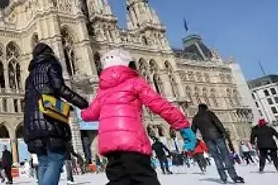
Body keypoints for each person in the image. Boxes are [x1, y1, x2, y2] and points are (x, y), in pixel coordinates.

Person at [81, 49, 196, 185]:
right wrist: (181, 124)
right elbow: (159, 104)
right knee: (145, 179)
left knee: (119, 180)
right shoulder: (135, 82)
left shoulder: (102, 91)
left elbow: (89, 114)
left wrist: (78, 109)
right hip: (132, 142)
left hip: (110, 146)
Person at [23, 43, 89, 185]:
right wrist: (83, 103)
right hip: (49, 118)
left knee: (43, 162)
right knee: (56, 158)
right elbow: (60, 88)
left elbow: (27, 99)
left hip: (31, 122)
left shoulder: (29, 76)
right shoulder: (51, 65)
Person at [191, 103, 245, 183]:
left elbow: (193, 130)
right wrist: (224, 133)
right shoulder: (209, 113)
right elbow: (218, 123)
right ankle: (234, 176)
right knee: (225, 155)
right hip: (217, 136)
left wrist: (193, 140)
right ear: (205, 108)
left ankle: (223, 177)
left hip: (207, 139)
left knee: (216, 158)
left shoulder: (196, 118)